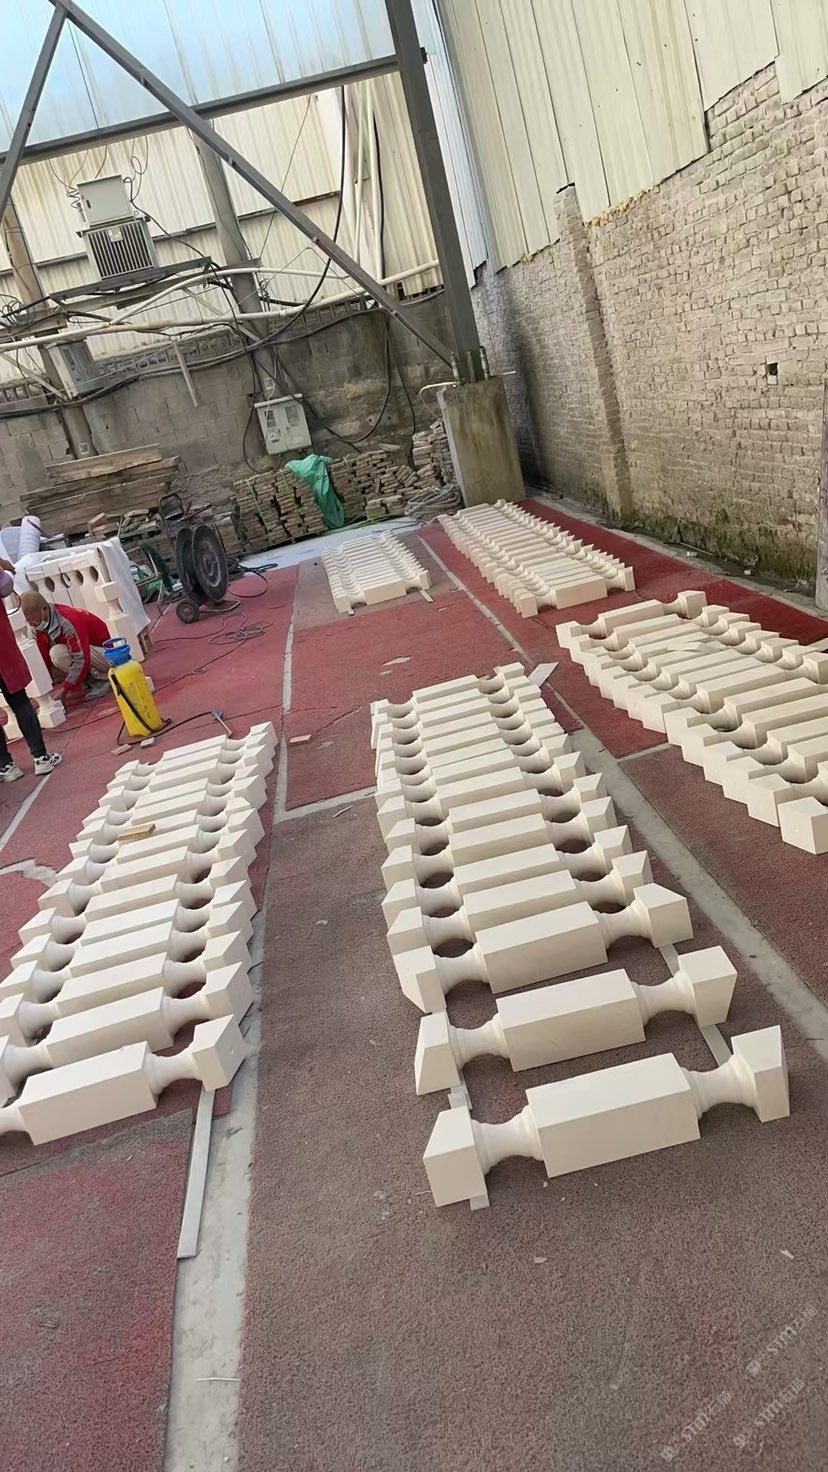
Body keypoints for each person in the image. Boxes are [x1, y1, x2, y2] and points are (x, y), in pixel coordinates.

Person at [0, 560, 63, 781]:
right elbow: (5, 585)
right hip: (2, 647)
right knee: (20, 702)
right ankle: (41, 758)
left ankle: (6, 766)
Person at [20, 591, 111, 707]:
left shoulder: (69, 620)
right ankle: (87, 679)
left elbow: (81, 658)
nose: (31, 624)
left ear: (44, 609)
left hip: (108, 655)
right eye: (27, 621)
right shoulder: (38, 625)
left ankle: (100, 680)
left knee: (58, 653)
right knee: (54, 660)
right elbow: (41, 659)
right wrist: (38, 695)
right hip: (88, 653)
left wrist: (64, 692)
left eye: (32, 619)